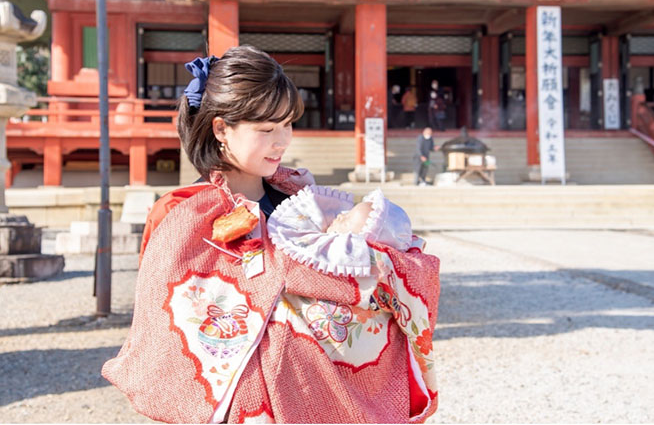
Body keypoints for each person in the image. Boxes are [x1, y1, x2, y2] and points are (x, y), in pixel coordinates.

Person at [101, 45, 440, 424]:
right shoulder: (179, 214)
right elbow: (166, 328)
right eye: (266, 129)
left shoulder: (302, 203)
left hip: (327, 400)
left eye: (287, 124)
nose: (282, 141)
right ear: (221, 129)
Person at [267, 186, 413, 278]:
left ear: (353, 244)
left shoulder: (336, 261)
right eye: (348, 212)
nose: (340, 216)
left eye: (347, 220)